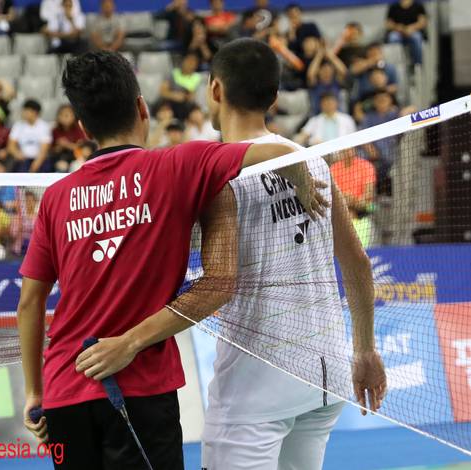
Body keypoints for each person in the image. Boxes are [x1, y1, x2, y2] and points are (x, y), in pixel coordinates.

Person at [72, 40, 386, 470]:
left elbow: (219, 281)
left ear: (214, 90)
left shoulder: (216, 177)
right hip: (325, 374)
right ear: (274, 98)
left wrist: (131, 340)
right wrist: (365, 350)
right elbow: (358, 264)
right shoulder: (312, 162)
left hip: (258, 383)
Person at [18, 50, 328, 469]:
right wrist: (305, 186)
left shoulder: (55, 199)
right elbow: (275, 152)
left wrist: (35, 394)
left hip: (64, 391)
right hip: (140, 391)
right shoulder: (176, 164)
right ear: (142, 108)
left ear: (83, 127)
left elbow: (30, 302)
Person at [330, 148, 377, 247]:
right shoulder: (333, 169)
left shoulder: (366, 166)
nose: (347, 152)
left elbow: (368, 195)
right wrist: (345, 200)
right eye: (344, 150)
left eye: (350, 149)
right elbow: (331, 197)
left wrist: (353, 201)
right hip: (342, 209)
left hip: (363, 208)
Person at [7, 99, 52, 172]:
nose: (24, 113)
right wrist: (17, 154)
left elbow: (44, 149)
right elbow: (11, 145)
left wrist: (36, 163)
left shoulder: (44, 126)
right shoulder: (18, 126)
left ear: (35, 112)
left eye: (26, 111)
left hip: (40, 159)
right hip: (22, 159)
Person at [159, 52, 202, 120]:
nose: (189, 64)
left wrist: (186, 97)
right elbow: (163, 91)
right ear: (183, 61)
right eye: (188, 60)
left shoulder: (197, 78)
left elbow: (194, 97)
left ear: (196, 65)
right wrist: (174, 95)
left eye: (193, 62)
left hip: (186, 107)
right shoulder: (173, 73)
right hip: (171, 104)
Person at [306, 43, 348, 114]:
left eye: (329, 70)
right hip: (318, 116)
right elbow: (310, 74)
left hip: (338, 116)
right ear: (318, 72)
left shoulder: (336, 82)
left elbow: (343, 71)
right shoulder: (315, 84)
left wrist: (330, 55)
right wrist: (319, 55)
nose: (326, 72)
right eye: (324, 70)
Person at [386, 0, 426, 65]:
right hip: (398, 32)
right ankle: (396, 64)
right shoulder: (393, 7)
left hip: (413, 31)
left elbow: (422, 22)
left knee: (417, 37)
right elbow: (388, 23)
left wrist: (411, 28)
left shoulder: (418, 6)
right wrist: (397, 27)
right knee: (393, 38)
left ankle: (417, 64)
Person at [50, 104, 86, 172]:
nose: (64, 118)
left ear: (73, 116)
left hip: (75, 157)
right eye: (61, 115)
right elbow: (52, 150)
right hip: (59, 158)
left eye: (67, 115)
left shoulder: (78, 130)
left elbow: (80, 147)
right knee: (61, 166)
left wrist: (66, 144)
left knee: (78, 165)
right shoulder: (55, 130)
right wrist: (59, 147)